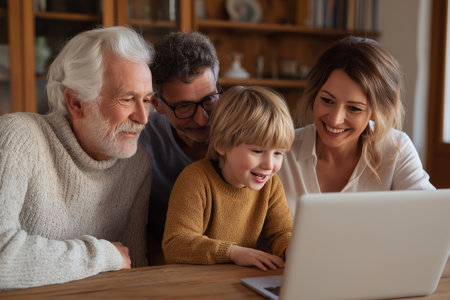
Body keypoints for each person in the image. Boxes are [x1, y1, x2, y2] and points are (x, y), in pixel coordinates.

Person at [0, 26, 154, 290]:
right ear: (76, 103)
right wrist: (103, 255)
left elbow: (133, 265)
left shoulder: (138, 164)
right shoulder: (19, 137)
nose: (143, 118)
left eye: (148, 100)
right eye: (128, 99)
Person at [278, 36, 435, 215]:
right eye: (327, 100)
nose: (335, 119)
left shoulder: (396, 149)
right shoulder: (281, 151)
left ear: (378, 111)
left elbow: (430, 217)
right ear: (315, 95)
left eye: (354, 108)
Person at [162, 86, 294, 271]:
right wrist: (233, 252)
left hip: (237, 282)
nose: (269, 165)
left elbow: (282, 232)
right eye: (257, 151)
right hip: (195, 285)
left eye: (278, 153)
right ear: (222, 145)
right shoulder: (196, 179)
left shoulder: (270, 184)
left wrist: (292, 250)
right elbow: (175, 244)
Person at [138, 31, 220, 263]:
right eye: (184, 107)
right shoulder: (140, 142)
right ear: (157, 105)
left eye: (209, 100)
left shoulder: (243, 133)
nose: (203, 119)